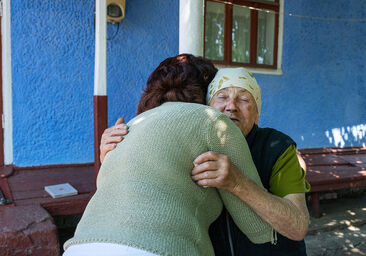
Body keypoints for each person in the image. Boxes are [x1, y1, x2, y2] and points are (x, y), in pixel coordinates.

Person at [100, 55, 311, 255]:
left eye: (244, 99)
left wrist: (238, 183)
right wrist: (110, 155)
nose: (231, 106)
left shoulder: (278, 148)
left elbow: (298, 227)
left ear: (257, 114)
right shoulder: (191, 143)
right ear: (206, 108)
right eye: (222, 97)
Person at [64, 58, 275, 256]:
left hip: (79, 246)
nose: (229, 106)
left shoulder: (130, 125)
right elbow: (259, 230)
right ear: (208, 93)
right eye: (221, 95)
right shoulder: (213, 121)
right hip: (157, 249)